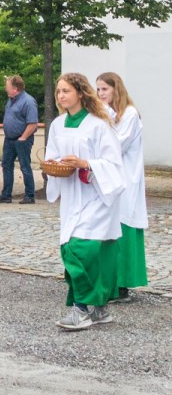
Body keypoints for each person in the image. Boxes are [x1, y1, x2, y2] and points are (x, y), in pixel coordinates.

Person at [44, 73, 124, 331]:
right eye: (58, 91)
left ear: (80, 93)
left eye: (66, 91)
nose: (61, 96)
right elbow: (53, 155)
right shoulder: (58, 125)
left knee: (83, 249)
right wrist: (55, 164)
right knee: (77, 248)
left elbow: (113, 163)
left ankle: (81, 311)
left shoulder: (99, 125)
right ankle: (99, 308)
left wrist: (85, 163)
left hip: (97, 194)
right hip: (72, 194)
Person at [96, 72, 149, 303]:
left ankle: (121, 285)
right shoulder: (110, 113)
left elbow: (115, 146)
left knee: (123, 229)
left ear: (116, 89)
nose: (100, 94)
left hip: (126, 180)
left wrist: (104, 117)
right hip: (111, 179)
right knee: (108, 229)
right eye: (98, 89)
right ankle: (108, 282)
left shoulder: (129, 114)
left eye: (104, 89)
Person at [0, 75, 38, 204]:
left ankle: (30, 195)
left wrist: (23, 138)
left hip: (22, 139)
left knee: (25, 166)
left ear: (15, 89)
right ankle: (6, 195)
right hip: (9, 139)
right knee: (6, 165)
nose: (6, 89)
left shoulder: (28, 101)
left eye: (7, 87)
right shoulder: (11, 100)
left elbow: (33, 123)